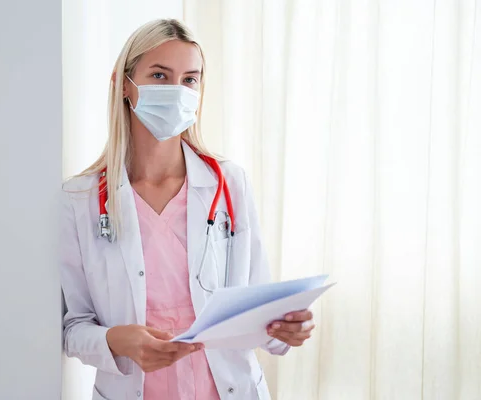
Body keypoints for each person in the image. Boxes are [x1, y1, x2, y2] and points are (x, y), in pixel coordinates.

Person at [60, 18, 315, 400]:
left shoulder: (228, 184)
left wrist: (284, 330)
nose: (177, 91)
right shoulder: (80, 199)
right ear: (123, 85)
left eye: (189, 79)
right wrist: (117, 339)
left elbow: (258, 305)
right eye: (160, 76)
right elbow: (73, 327)